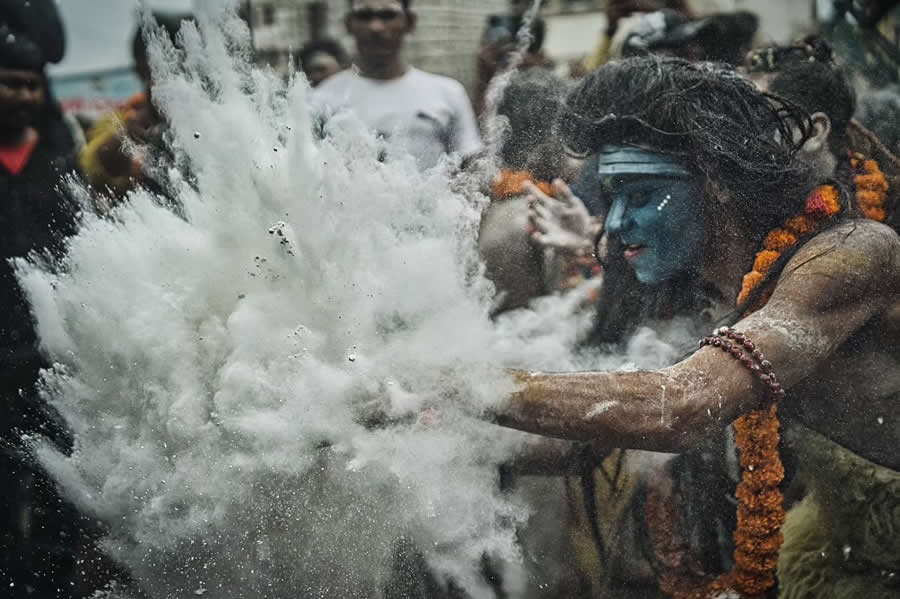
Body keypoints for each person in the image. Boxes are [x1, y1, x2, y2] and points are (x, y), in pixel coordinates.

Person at [490, 56, 900, 599]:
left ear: (718, 185)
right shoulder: (689, 286)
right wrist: (424, 421)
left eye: (639, 194)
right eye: (611, 199)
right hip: (830, 540)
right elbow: (594, 439)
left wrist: (475, 386)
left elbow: (683, 405)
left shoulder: (853, 253)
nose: (614, 225)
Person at [0, 1, 85, 596]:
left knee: (62, 476)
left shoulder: (59, 153)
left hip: (48, 353)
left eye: (32, 86)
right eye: (10, 83)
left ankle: (55, 581)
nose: (22, 95)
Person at [312, 0, 482, 170]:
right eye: (364, 16)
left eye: (388, 15)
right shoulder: (321, 99)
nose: (376, 27)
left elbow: (470, 169)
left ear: (409, 22)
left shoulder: (448, 93)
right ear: (349, 24)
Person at [79, 12, 193, 198]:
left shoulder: (209, 117)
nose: (173, 79)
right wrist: (126, 137)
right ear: (141, 70)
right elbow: (92, 168)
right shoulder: (122, 120)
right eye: (160, 69)